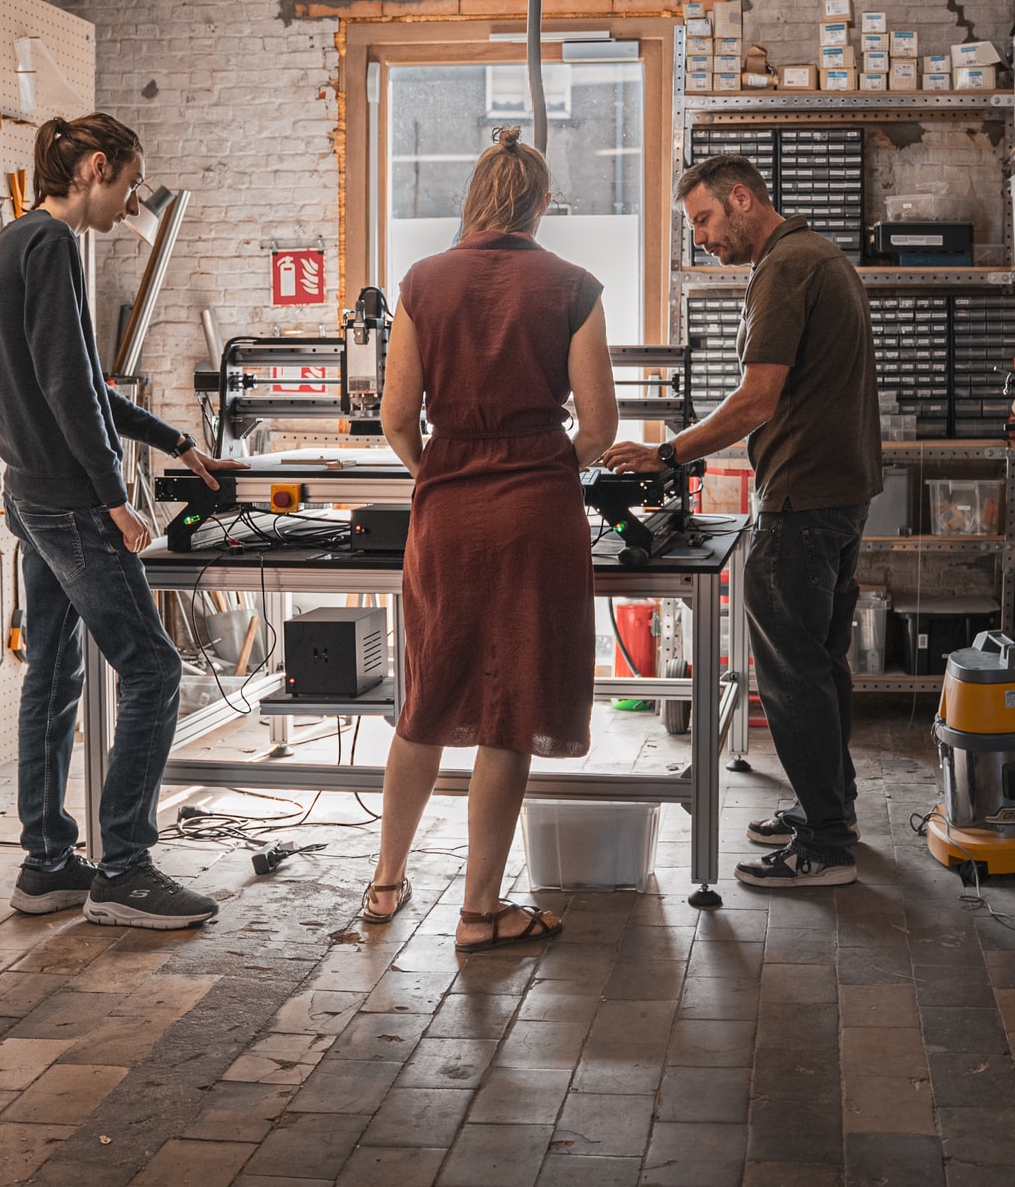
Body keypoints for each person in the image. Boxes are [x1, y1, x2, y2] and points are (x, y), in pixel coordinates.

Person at [0, 113, 245, 929]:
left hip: (29, 491)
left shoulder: (10, 240)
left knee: (54, 673)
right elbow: (68, 388)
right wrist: (114, 497)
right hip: (68, 499)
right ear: (96, 167)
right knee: (155, 670)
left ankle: (47, 864)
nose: (131, 200)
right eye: (129, 182)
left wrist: (173, 441)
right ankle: (125, 867)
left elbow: (85, 383)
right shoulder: (56, 246)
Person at [365, 126, 619, 951]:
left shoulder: (422, 283)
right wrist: (543, 462)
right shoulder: (572, 284)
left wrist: (439, 470)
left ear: (470, 200)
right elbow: (602, 425)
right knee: (509, 708)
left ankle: (384, 885)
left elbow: (397, 420)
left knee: (425, 700)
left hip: (446, 512)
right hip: (536, 512)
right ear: (542, 204)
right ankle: (480, 911)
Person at [603, 155, 882, 887]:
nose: (700, 238)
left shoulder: (785, 268)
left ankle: (825, 846)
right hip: (840, 493)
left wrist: (669, 451)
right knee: (819, 666)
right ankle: (834, 808)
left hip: (803, 500)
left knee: (791, 676)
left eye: (702, 219)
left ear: (742, 198)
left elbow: (758, 399)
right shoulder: (820, 255)